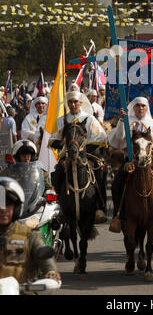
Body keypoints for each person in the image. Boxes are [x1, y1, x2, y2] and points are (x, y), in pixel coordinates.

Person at [108, 96, 153, 233]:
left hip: (150, 161)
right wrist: (121, 120)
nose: (140, 108)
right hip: (130, 161)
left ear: (147, 108)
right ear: (133, 108)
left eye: (143, 106)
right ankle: (117, 216)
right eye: (137, 106)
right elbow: (118, 139)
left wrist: (149, 150)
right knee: (116, 185)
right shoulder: (127, 122)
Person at [49, 90, 108, 224]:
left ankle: (99, 206)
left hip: (87, 155)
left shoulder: (90, 118)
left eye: (76, 102)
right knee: (57, 175)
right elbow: (54, 139)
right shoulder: (61, 120)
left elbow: (100, 137)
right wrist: (61, 144)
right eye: (70, 102)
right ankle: (57, 206)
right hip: (67, 157)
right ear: (67, 104)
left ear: (81, 103)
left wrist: (84, 152)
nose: (73, 104)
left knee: (99, 174)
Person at [0, 176, 61, 285]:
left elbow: (46, 261)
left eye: (8, 204)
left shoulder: (29, 235)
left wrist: (51, 272)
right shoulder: (11, 170)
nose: (3, 209)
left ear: (16, 207)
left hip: (23, 291)